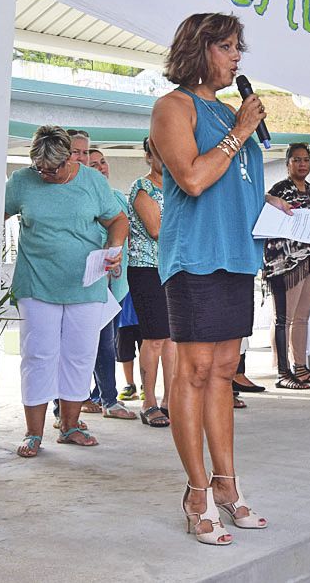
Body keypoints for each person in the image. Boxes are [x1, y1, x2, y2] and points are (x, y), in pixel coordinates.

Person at [149, 12, 290, 545]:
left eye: (238, 49)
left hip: (237, 255)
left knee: (225, 369)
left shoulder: (230, 114)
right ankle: (196, 491)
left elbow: (236, 183)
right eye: (228, 47)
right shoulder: (174, 108)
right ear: (201, 49)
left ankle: (228, 486)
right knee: (195, 369)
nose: (237, 58)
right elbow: (191, 177)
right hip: (195, 257)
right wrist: (240, 131)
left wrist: (272, 203)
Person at [4, 126, 128, 458]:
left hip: (86, 283)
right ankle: (33, 433)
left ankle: (70, 426)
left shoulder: (91, 181)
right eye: (40, 168)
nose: (46, 174)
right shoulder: (21, 182)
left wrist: (114, 247)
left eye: (53, 168)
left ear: (69, 157)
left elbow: (117, 220)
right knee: (38, 356)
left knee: (79, 355)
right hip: (36, 281)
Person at [263, 143, 310, 389]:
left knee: (302, 317)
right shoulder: (278, 190)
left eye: (306, 160)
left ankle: (301, 368)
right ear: (287, 163)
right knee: (284, 317)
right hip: (286, 263)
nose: (302, 164)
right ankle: (283, 372)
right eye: (297, 160)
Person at [78, 148, 136, 421]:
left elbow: (126, 235)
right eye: (93, 164)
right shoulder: (81, 199)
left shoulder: (115, 198)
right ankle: (97, 399)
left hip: (117, 282)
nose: (101, 167)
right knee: (89, 343)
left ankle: (103, 397)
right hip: (89, 280)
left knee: (107, 342)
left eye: (103, 162)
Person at [127, 137, 176, 427]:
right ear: (148, 156)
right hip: (146, 269)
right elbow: (156, 229)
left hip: (173, 268)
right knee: (155, 337)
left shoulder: (177, 186)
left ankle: (171, 399)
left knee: (172, 339)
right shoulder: (141, 187)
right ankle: (149, 402)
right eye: (158, 153)